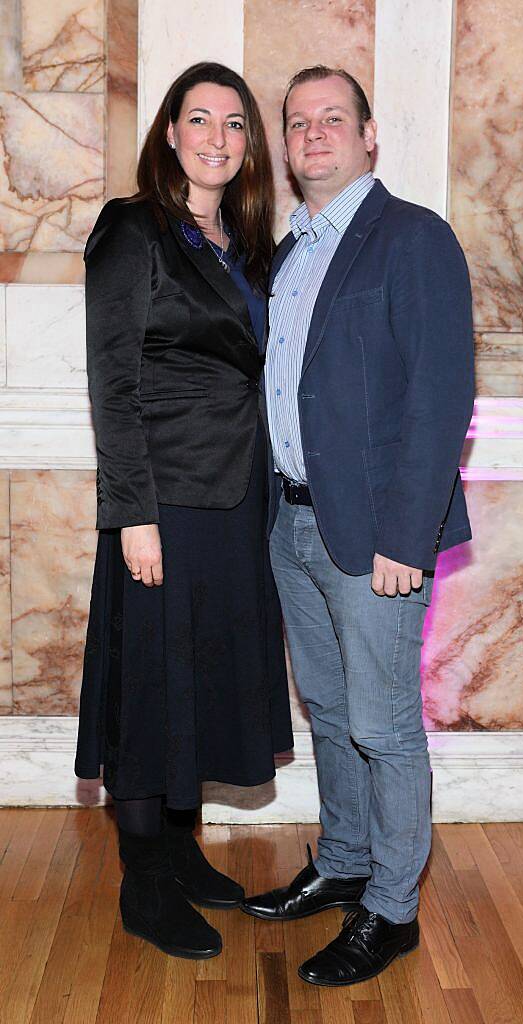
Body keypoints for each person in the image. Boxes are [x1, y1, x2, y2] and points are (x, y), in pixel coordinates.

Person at [242, 66, 475, 987]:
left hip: (374, 539)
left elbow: (438, 396)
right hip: (291, 524)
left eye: (331, 119)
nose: (312, 135)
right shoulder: (290, 248)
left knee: (384, 724)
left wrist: (405, 538)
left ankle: (393, 908)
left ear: (369, 136)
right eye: (297, 123)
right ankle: (343, 862)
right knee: (332, 714)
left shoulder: (412, 239)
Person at [74, 62, 293, 961]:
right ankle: (144, 885)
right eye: (197, 119)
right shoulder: (135, 230)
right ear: (168, 133)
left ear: (248, 146)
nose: (216, 136)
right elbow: (113, 381)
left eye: (234, 123)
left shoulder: (244, 244)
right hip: (161, 503)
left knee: (196, 677)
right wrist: (133, 514)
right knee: (148, 683)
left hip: (237, 500)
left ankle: (180, 850)